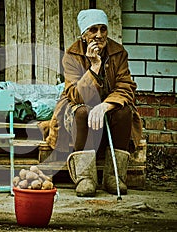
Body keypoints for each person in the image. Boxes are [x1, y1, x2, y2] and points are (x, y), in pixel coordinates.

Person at [39, 9, 142, 197]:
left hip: (107, 106)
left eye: (103, 29)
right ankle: (85, 177)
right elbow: (75, 95)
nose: (99, 35)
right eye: (93, 30)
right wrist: (94, 67)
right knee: (82, 112)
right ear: (84, 35)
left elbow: (125, 86)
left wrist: (105, 105)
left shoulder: (119, 53)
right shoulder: (72, 55)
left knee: (124, 112)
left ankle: (114, 177)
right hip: (79, 105)